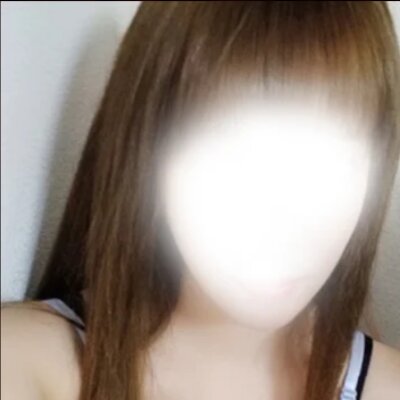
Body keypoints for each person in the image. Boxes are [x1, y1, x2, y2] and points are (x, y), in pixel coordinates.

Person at [2, 2, 400, 400]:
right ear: (149, 150)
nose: (283, 219)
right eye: (233, 154)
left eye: (334, 162)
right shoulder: (25, 362)